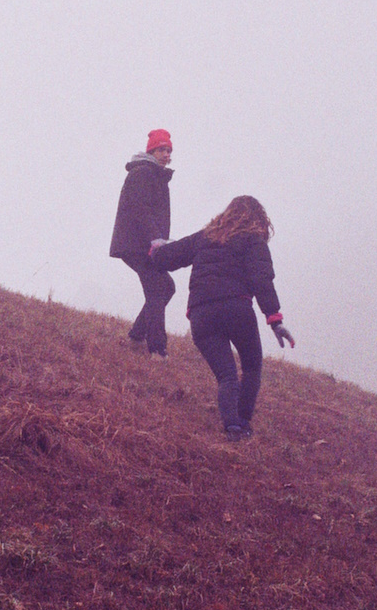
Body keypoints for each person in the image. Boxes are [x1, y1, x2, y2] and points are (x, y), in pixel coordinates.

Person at [150, 195, 294, 439]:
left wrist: (155, 252)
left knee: (226, 375)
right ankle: (243, 423)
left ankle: (232, 427)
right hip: (236, 309)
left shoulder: (205, 236)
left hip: (201, 314)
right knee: (251, 366)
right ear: (259, 219)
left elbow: (169, 256)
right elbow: (261, 279)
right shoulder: (254, 240)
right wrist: (274, 319)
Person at [110, 128, 176, 357]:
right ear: (151, 151)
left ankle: (137, 336)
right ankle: (157, 349)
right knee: (158, 287)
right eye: (162, 150)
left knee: (166, 287)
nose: (167, 154)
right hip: (136, 244)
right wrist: (155, 239)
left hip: (144, 243)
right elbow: (140, 208)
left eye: (169, 150)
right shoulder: (143, 173)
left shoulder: (154, 174)